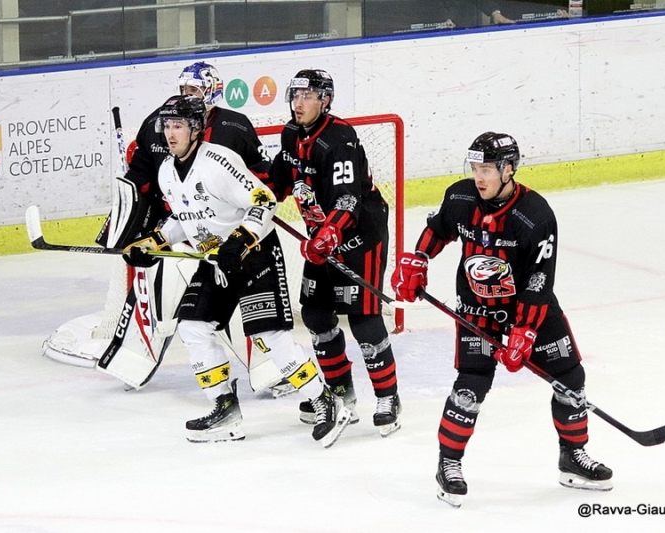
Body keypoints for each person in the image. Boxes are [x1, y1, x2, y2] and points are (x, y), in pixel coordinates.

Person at [391, 132, 612, 507]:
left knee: (571, 378)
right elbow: (438, 229)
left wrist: (524, 332)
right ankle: (449, 464)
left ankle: (572, 456)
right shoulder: (461, 197)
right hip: (478, 308)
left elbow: (540, 280)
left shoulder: (535, 215)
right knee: (471, 384)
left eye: (488, 169)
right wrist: (418, 259)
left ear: (508, 169)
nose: (479, 177)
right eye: (475, 168)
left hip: (529, 307)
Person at [42, 61, 287, 393]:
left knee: (233, 307)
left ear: (213, 91)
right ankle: (132, 362)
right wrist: (134, 215)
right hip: (173, 226)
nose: (188, 95)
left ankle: (272, 371)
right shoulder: (159, 120)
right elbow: (140, 173)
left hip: (224, 234)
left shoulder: (235, 126)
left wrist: (256, 207)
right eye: (185, 88)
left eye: (195, 89)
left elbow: (260, 176)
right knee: (151, 293)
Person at [122, 94, 352, 446]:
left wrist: (240, 241)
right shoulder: (167, 170)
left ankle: (325, 401)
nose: (170, 133)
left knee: (268, 334)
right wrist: (154, 242)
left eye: (178, 125)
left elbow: (264, 200)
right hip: (216, 259)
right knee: (193, 326)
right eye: (166, 126)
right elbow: (186, 218)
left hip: (255, 253)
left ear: (195, 128)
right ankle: (225, 408)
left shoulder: (218, 160)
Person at [265, 69, 402, 437]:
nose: (299, 103)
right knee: (315, 314)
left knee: (363, 318)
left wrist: (328, 234)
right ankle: (341, 393)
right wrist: (247, 190)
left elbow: (348, 198)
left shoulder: (340, 139)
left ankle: (388, 398)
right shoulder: (291, 134)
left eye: (308, 96)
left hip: (359, 236)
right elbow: (279, 180)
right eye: (296, 95)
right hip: (321, 239)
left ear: (325, 100)